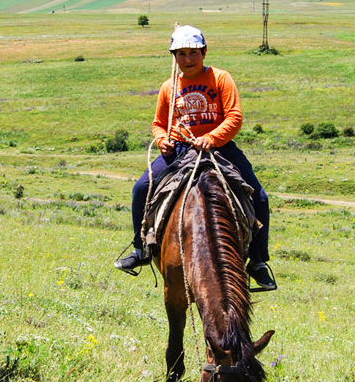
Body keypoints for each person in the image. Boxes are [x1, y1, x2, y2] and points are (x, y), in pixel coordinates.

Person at [114, 25, 276, 290]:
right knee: (141, 188)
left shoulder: (221, 78)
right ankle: (141, 248)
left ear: (204, 52)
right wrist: (162, 139)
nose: (187, 59)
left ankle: (258, 261)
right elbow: (158, 123)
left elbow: (234, 117)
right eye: (180, 54)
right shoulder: (170, 86)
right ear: (174, 57)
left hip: (219, 148)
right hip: (179, 149)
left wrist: (211, 138)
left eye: (192, 53)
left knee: (259, 197)